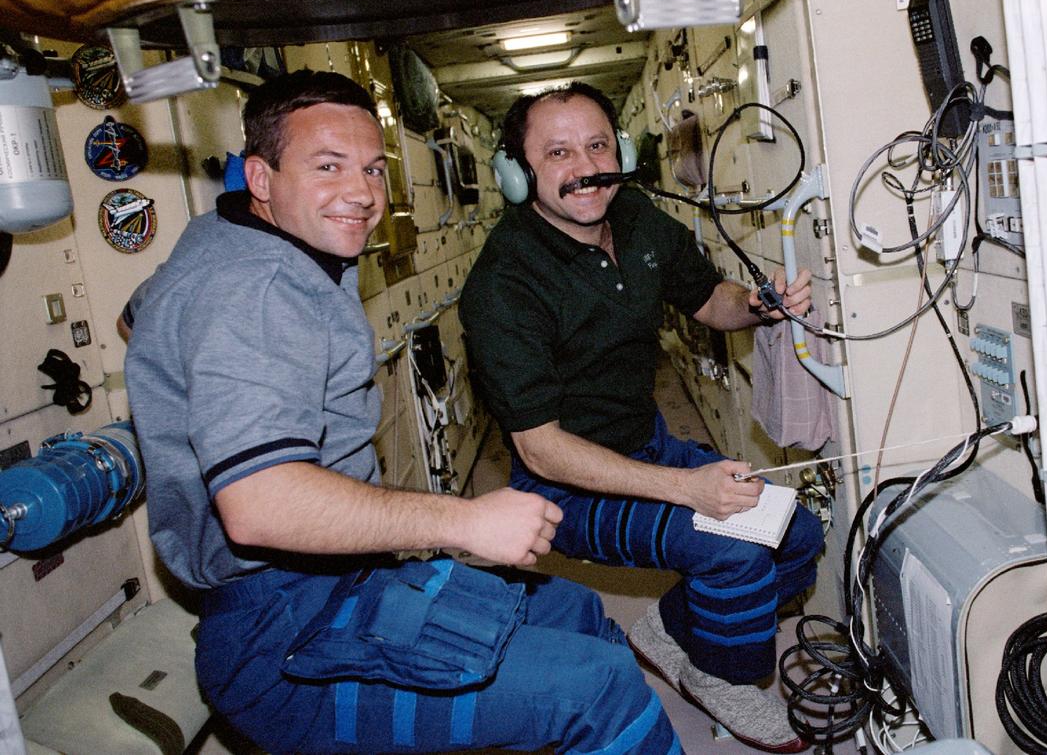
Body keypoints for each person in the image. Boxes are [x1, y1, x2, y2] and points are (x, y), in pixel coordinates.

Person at [124, 70, 681, 754]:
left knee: (577, 610)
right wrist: (464, 519)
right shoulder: (254, 288)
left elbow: (141, 318)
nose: (361, 193)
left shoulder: (229, 235)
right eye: (327, 166)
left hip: (342, 580)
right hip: (285, 642)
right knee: (596, 689)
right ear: (261, 178)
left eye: (371, 168)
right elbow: (258, 504)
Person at [460, 82, 824, 754]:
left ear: (621, 150)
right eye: (559, 152)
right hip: (567, 487)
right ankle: (724, 676)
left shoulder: (637, 217)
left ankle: (669, 629)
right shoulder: (503, 283)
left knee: (797, 534)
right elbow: (542, 451)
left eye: (598, 144)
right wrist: (689, 488)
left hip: (646, 443)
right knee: (734, 546)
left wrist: (757, 303)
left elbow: (709, 300)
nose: (585, 166)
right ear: (517, 174)